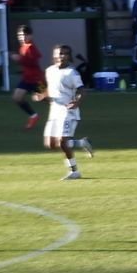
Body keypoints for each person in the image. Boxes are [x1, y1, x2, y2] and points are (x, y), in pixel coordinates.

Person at [32, 44, 95, 180]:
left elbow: (81, 90)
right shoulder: (49, 71)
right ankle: (82, 143)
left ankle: (74, 171)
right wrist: (42, 95)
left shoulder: (72, 73)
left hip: (68, 112)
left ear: (69, 57)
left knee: (62, 140)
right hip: (54, 111)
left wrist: (77, 102)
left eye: (65, 54)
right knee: (50, 144)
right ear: (54, 55)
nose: (61, 56)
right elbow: (50, 88)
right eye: (59, 53)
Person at [10, 24, 45, 128]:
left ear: (30, 35)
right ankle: (33, 116)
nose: (22, 37)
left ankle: (64, 112)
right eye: (20, 35)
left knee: (48, 99)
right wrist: (20, 59)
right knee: (17, 97)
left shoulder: (31, 48)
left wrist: (19, 59)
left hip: (37, 80)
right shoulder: (23, 47)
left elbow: (33, 61)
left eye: (25, 35)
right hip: (26, 79)